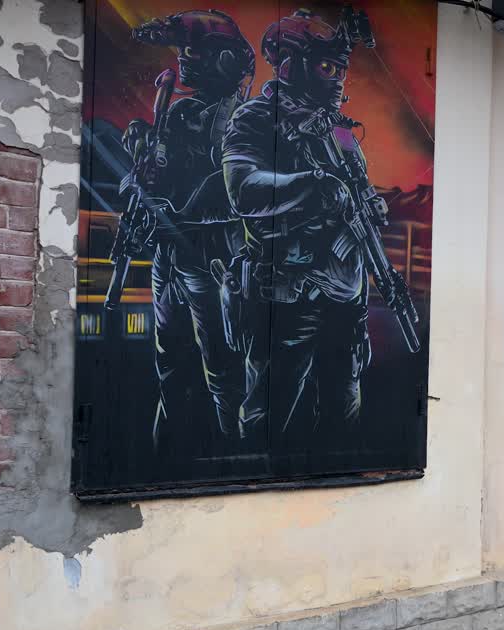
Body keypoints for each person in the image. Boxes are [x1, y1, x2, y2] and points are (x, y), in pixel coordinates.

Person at [221, 9, 375, 443]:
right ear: (290, 64)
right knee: (268, 417)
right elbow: (243, 189)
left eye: (342, 68)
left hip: (344, 295)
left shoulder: (341, 132)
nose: (338, 79)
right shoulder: (255, 118)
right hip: (286, 294)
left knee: (343, 412)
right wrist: (311, 185)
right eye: (328, 66)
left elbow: (361, 199)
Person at [122, 10, 254, 449]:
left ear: (227, 60)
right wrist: (145, 146)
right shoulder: (179, 113)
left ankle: (234, 457)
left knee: (222, 371)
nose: (186, 60)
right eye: (184, 52)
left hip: (211, 253)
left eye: (195, 51)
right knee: (170, 364)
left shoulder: (244, 121)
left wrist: (177, 202)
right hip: (171, 253)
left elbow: (231, 187)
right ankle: (166, 458)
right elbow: (165, 170)